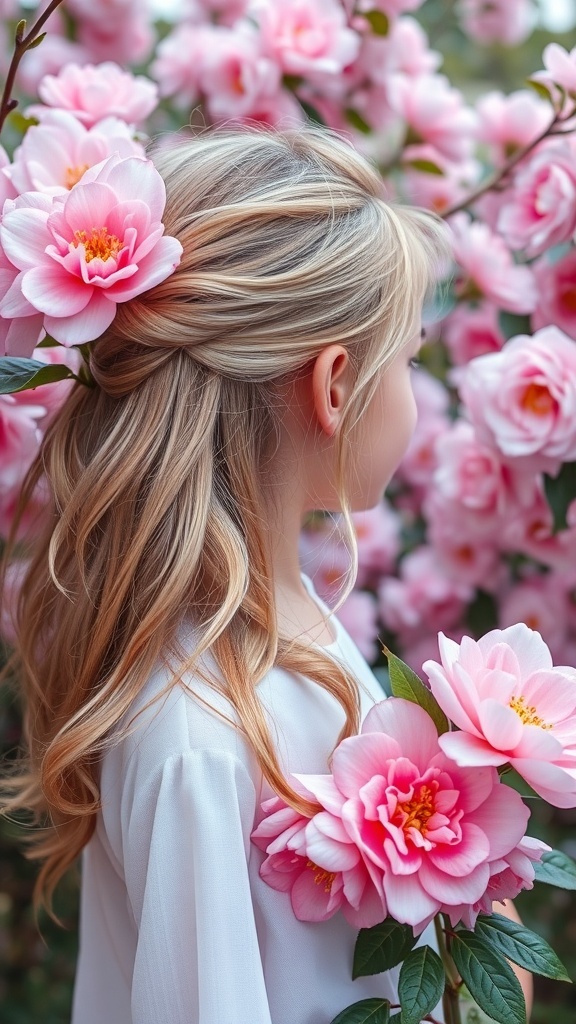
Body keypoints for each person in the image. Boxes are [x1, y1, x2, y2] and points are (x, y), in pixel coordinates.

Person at [1, 126, 529, 1024]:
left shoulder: (282, 627)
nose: (412, 386)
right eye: (406, 360)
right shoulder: (201, 738)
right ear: (335, 387)